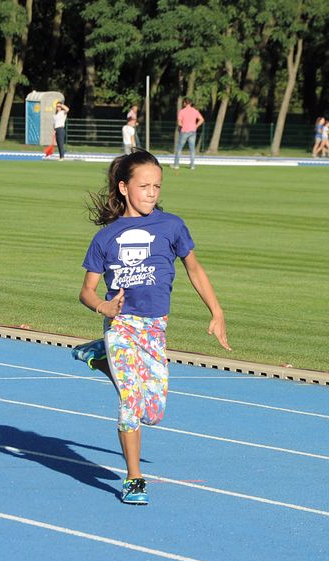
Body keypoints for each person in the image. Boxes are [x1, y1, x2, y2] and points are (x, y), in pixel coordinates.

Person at [76, 150, 230, 505]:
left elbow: (194, 268)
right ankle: (134, 479)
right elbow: (86, 290)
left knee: (153, 412)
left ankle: (100, 359)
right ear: (124, 187)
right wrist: (103, 305)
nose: (151, 192)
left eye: (157, 186)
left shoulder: (172, 226)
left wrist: (217, 311)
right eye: (144, 186)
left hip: (154, 327)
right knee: (130, 403)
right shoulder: (107, 238)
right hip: (121, 325)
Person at [172, 98, 204, 170]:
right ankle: (192, 165)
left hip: (184, 131)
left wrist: (182, 126)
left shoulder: (182, 111)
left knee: (179, 148)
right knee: (192, 149)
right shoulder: (195, 111)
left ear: (185, 103)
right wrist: (196, 126)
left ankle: (176, 165)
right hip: (193, 131)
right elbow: (201, 119)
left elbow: (179, 122)